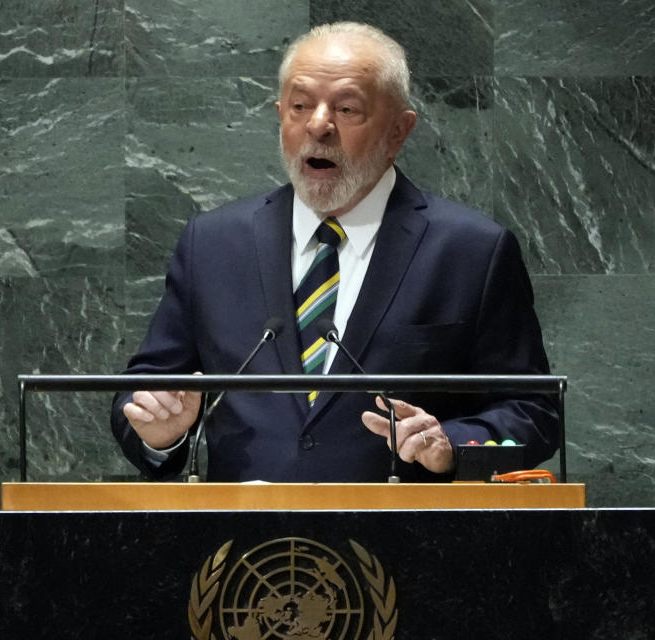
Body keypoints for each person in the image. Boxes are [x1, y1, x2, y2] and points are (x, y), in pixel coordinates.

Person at [110, 22, 558, 482]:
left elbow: (533, 411)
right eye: (300, 106)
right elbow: (141, 392)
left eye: (346, 109)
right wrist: (160, 432)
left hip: (409, 541)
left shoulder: (471, 251)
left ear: (399, 131)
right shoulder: (212, 243)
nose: (318, 125)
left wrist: (451, 444)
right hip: (243, 545)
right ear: (279, 114)